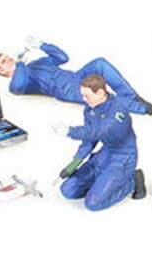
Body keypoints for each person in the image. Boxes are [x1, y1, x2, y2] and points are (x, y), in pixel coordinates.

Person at [0, 36, 152, 118]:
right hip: (66, 89)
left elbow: (62, 58)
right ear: (2, 71)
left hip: (75, 75)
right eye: (4, 61)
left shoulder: (36, 64)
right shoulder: (15, 84)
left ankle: (132, 97)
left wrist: (43, 45)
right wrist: (19, 64)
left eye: (7, 57)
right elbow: (19, 84)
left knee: (100, 63)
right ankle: (147, 109)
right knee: (104, 98)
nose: (9, 59)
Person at [51, 74, 146, 211]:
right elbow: (89, 139)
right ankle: (102, 184)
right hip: (105, 153)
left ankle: (132, 180)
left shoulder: (118, 110)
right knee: (68, 191)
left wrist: (70, 131)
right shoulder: (90, 109)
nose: (84, 99)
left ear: (101, 93)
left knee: (93, 204)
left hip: (122, 158)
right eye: (82, 95)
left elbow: (99, 132)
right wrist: (76, 162)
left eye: (87, 96)